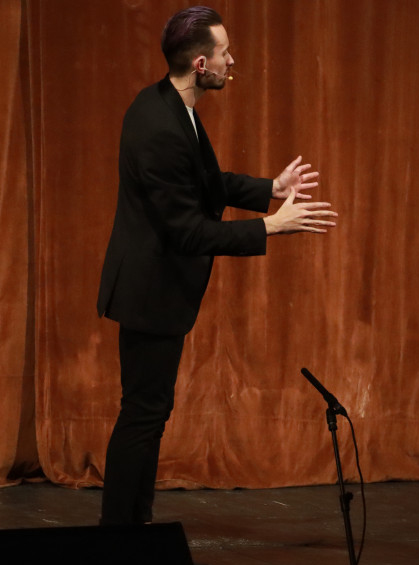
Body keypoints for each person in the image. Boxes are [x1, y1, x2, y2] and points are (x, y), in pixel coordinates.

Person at [96, 7, 336, 529]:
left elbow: (206, 180)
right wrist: (270, 226)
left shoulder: (170, 106)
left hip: (155, 290)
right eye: (226, 53)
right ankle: (119, 543)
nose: (233, 61)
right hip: (149, 292)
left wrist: (269, 189)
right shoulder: (159, 125)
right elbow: (187, 230)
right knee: (143, 415)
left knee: (149, 414)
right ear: (202, 63)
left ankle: (133, 540)